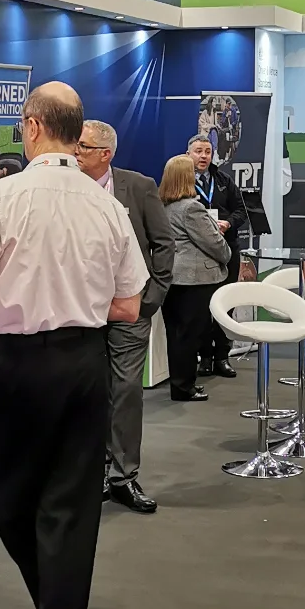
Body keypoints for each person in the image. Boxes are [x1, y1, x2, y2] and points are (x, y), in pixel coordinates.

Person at [0, 82, 148, 609]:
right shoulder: (106, 205)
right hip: (85, 364)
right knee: (71, 504)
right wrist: (73, 299)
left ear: (32, 127)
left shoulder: (2, 197)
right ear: (77, 132)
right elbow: (129, 305)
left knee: (12, 501)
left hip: (19, 367)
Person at [75, 119, 175, 513]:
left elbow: (163, 242)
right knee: (89, 389)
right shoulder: (66, 188)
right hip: (81, 310)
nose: (75, 152)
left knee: (126, 390)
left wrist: (152, 296)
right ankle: (96, 470)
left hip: (129, 309)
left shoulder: (138, 186)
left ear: (105, 154)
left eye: (83, 146)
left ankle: (123, 476)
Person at [158, 154, 231, 403]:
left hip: (171, 279)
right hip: (194, 282)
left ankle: (181, 384)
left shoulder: (162, 206)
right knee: (189, 337)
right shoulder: (191, 208)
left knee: (177, 335)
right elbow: (215, 245)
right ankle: (184, 387)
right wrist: (226, 251)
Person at [188, 134, 247, 378]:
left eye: (208, 152)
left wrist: (228, 223)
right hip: (198, 251)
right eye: (198, 151)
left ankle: (222, 356)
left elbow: (241, 211)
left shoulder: (223, 180)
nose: (203, 156)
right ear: (189, 154)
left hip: (227, 248)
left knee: (225, 305)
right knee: (202, 307)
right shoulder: (181, 181)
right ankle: (204, 357)